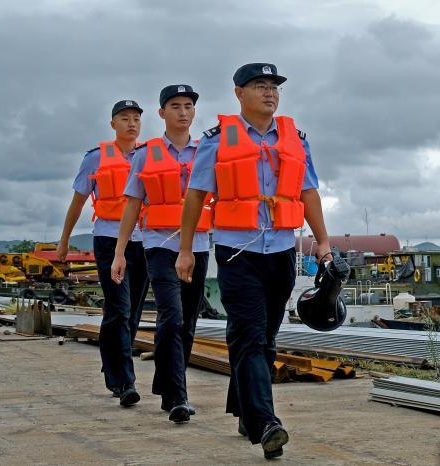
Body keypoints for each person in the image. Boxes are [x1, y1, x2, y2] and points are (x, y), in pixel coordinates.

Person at [176, 63, 332, 459]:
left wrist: (324, 243)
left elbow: (308, 192)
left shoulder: (295, 139)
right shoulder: (216, 141)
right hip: (236, 252)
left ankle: (246, 411)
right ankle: (266, 423)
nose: (269, 93)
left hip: (281, 252)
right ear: (238, 93)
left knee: (264, 339)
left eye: (273, 87)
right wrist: (185, 250)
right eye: (259, 86)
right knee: (248, 334)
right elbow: (195, 195)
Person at [112, 84, 212, 424]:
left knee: (187, 321)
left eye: (188, 106)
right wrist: (120, 252)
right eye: (175, 106)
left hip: (198, 245)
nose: (183, 112)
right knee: (171, 316)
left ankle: (167, 382)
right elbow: (132, 205)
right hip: (158, 244)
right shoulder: (145, 153)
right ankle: (177, 396)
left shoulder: (206, 151)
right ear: (162, 113)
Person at [56, 99, 149, 407]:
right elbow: (78, 201)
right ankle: (124, 382)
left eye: (136, 118)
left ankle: (113, 363)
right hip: (109, 240)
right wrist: (64, 240)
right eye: (125, 118)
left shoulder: (149, 155)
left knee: (132, 311)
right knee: (119, 309)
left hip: (145, 241)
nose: (131, 123)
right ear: (113, 124)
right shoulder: (96, 159)